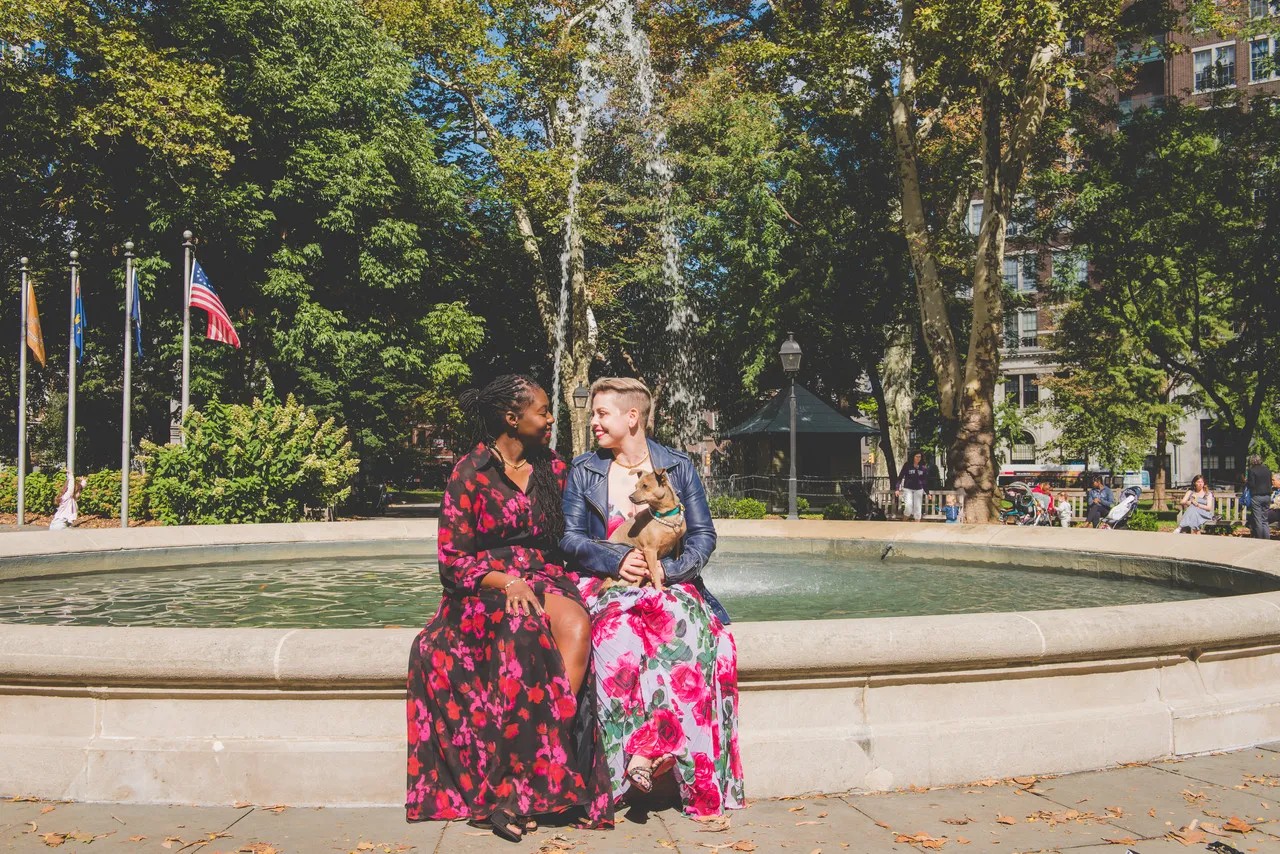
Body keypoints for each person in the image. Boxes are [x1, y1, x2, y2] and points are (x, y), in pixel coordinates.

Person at [406, 375, 612, 840]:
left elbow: (577, 533)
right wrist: (506, 581)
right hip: (486, 585)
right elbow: (452, 561)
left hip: (543, 575)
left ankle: (538, 762)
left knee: (577, 625)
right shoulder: (470, 472)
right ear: (512, 418)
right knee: (522, 630)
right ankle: (516, 788)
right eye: (543, 411)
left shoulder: (553, 469)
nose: (551, 418)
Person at [561, 377, 744, 819]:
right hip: (608, 583)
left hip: (670, 582)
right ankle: (627, 767)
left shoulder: (675, 467)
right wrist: (616, 560)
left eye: (602, 413)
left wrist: (671, 571)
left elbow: (702, 536)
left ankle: (665, 759)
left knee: (685, 632)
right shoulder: (584, 468)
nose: (593, 421)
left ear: (632, 417)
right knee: (616, 637)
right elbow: (567, 539)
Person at [895, 451, 930, 522]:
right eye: (916, 456)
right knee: (908, 508)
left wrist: (927, 492)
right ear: (913, 457)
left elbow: (924, 481)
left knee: (918, 510)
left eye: (919, 457)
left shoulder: (923, 467)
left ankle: (917, 527)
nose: (918, 458)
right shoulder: (907, 465)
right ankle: (903, 524)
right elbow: (900, 477)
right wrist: (897, 488)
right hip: (908, 489)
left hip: (919, 489)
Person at [1246, 455, 1273, 541]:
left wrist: (1246, 482)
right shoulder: (1267, 469)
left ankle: (1260, 540)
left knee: (1258, 520)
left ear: (1252, 461)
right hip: (1267, 496)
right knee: (1265, 520)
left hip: (1257, 496)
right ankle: (1267, 539)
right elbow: (1270, 482)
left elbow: (1252, 484)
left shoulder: (1251, 470)